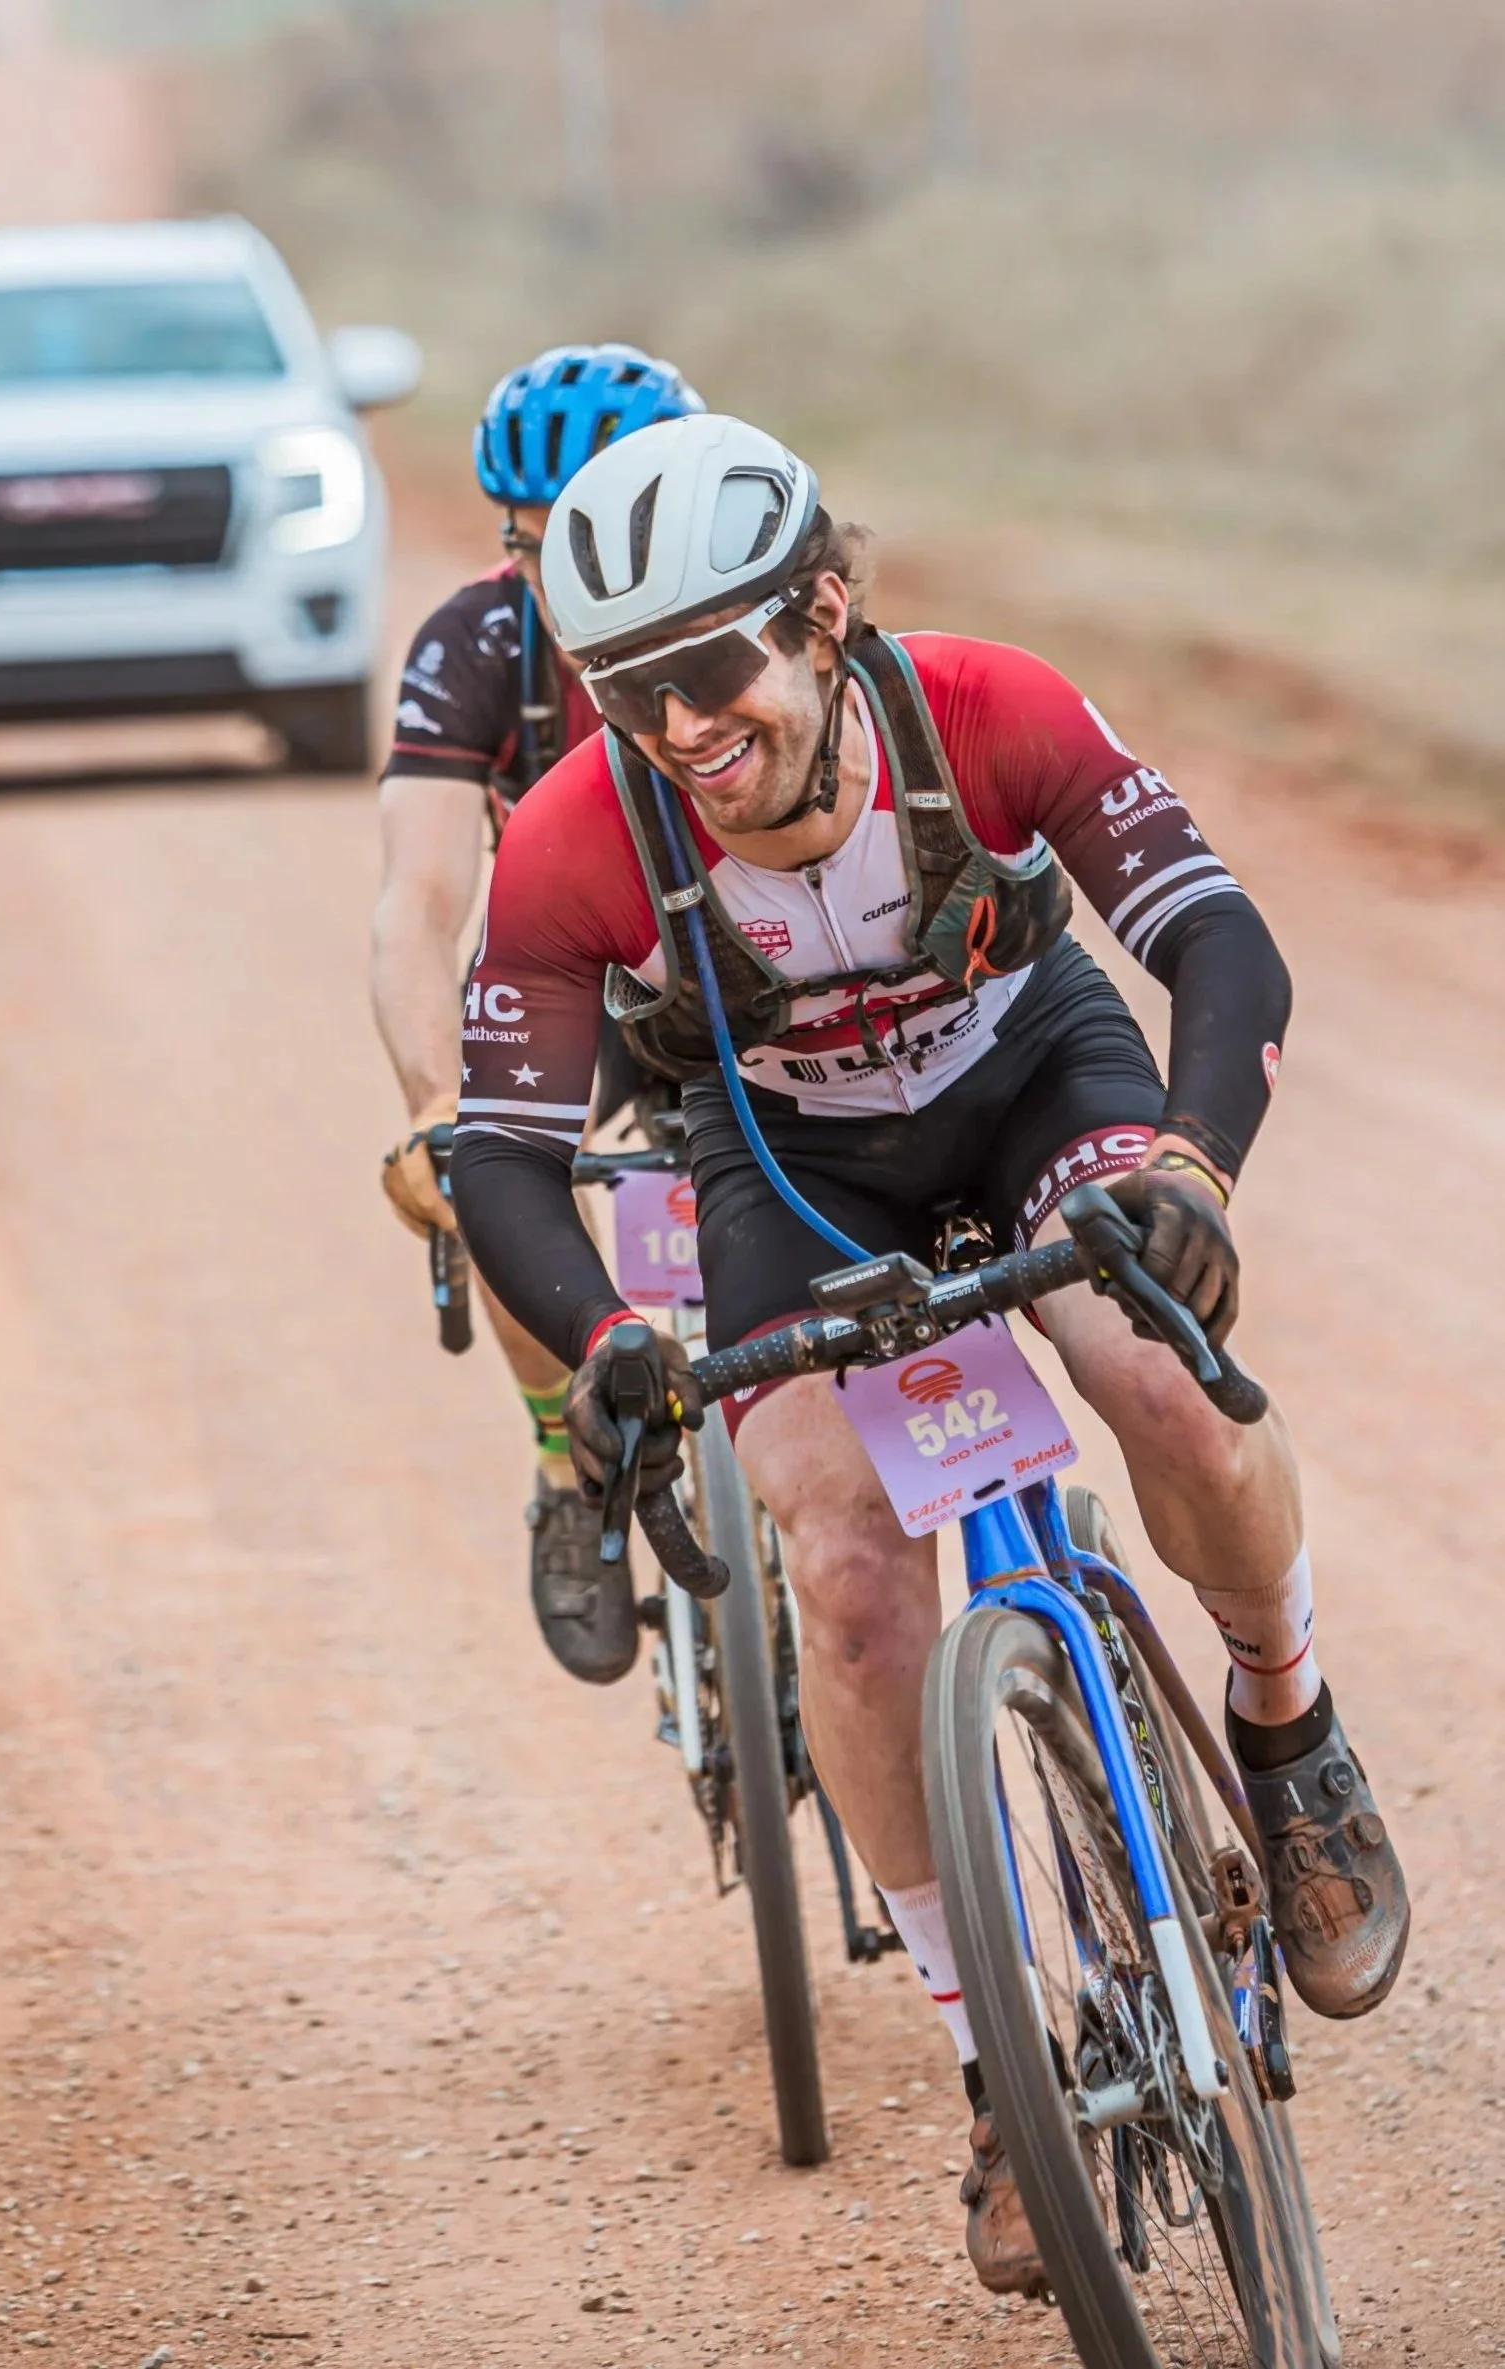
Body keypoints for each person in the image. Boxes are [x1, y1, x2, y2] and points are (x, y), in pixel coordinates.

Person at [446, 411, 1410, 2292]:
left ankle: (1290, 1738)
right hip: (786, 1160)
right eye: (624, 688)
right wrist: (604, 1345)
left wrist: (1192, 1169)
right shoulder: (584, 837)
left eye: (709, 668)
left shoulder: (984, 707)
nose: (677, 726)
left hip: (1029, 1074)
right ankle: (996, 2071)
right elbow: (501, 1157)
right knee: (851, 1581)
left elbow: (1220, 948)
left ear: (819, 614)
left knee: (1154, 1380)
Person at [371, 342, 702, 1685]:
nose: (547, 575)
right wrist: (432, 1103)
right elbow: (418, 902)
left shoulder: (739, 620)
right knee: (494, 1161)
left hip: (748, 971)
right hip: (575, 975)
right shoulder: (476, 641)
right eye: (526, 541)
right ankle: (566, 1468)